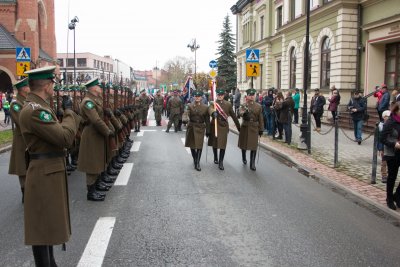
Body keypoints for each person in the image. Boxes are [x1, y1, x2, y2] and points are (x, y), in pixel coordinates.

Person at [19, 66, 78, 266]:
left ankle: (50, 263)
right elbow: (65, 138)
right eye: (53, 83)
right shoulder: (36, 112)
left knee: (47, 226)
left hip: (47, 170)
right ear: (46, 85)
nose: (54, 87)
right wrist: (69, 113)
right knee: (42, 229)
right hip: (45, 173)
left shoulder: (39, 108)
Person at [77, 78, 115, 201]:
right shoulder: (88, 102)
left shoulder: (94, 100)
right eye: (98, 86)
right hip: (91, 134)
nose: (100, 89)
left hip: (96, 134)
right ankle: (91, 192)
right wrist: (107, 131)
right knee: (92, 163)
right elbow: (96, 120)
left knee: (98, 159)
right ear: (93, 88)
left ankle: (97, 185)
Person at [8, 78, 30, 203]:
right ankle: (25, 193)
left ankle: (31, 192)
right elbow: (23, 123)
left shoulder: (28, 102)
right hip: (21, 140)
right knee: (23, 168)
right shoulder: (16, 104)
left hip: (29, 140)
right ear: (23, 89)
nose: (30, 89)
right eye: (28, 87)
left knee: (30, 166)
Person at [208, 89, 240, 170]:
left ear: (224, 95)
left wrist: (239, 127)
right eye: (219, 94)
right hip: (215, 125)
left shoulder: (228, 104)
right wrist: (213, 113)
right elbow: (210, 109)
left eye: (221, 95)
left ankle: (221, 162)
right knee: (215, 143)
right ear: (217, 95)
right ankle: (215, 156)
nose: (220, 96)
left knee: (223, 144)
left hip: (223, 126)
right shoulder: (213, 103)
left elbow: (233, 116)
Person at [238, 88, 264, 171]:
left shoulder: (258, 106)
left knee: (253, 146)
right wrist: (244, 112)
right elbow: (240, 113)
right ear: (247, 96)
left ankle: (252, 163)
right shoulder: (244, 105)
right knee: (244, 144)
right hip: (245, 126)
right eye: (250, 95)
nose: (252, 96)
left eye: (253, 95)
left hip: (254, 127)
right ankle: (243, 156)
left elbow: (260, 118)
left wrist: (261, 129)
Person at [380, 102, 400, 210]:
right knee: (392, 177)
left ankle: (397, 195)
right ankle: (389, 199)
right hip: (392, 154)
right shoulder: (390, 122)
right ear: (397, 110)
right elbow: (382, 138)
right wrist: (394, 144)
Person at [185, 91, 210, 171]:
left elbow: (207, 120)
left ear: (201, 97)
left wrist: (208, 130)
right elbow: (186, 113)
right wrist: (185, 118)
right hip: (192, 126)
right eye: (196, 96)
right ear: (194, 97)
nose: (197, 97)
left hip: (200, 127)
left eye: (199, 96)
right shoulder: (190, 105)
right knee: (192, 145)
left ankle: (197, 163)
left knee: (199, 145)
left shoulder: (206, 107)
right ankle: (195, 158)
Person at [378, 110, 390, 184]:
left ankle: (389, 174)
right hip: (383, 147)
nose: (388, 118)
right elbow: (379, 139)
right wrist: (380, 148)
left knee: (390, 162)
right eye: (386, 116)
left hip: (390, 147)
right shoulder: (380, 126)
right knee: (384, 162)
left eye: (389, 116)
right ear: (383, 117)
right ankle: (384, 175)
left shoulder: (392, 124)